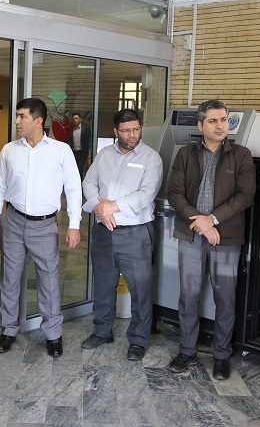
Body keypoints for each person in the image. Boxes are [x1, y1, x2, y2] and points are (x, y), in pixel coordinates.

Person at [0, 97, 82, 357]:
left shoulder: (61, 151)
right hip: (13, 221)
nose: (17, 121)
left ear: (38, 121)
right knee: (9, 279)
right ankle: (8, 329)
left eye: (22, 116)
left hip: (45, 225)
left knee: (48, 280)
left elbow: (74, 189)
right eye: (17, 116)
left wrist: (74, 225)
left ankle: (53, 334)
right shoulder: (9, 150)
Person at [166, 99, 256, 379]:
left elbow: (245, 196)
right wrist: (201, 223)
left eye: (224, 120)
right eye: (213, 121)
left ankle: (221, 355)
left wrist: (213, 219)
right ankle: (187, 350)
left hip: (226, 238)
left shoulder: (241, 155)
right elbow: (174, 193)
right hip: (191, 235)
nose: (220, 126)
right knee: (189, 295)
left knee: (225, 297)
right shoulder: (186, 154)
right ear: (200, 124)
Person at [81, 109, 162, 360]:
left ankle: (138, 339)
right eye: (126, 131)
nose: (132, 135)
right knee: (103, 284)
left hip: (136, 233)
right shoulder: (104, 154)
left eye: (136, 129)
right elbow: (88, 183)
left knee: (140, 288)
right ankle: (102, 331)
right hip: (104, 231)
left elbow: (146, 194)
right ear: (116, 131)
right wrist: (100, 208)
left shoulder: (151, 158)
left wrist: (111, 207)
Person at [66, 112, 91, 180]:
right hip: (73, 153)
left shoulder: (85, 128)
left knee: (80, 169)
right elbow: (67, 140)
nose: (75, 120)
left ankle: (80, 184)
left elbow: (89, 140)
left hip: (82, 152)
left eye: (76, 118)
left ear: (80, 119)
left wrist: (89, 153)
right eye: (73, 119)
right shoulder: (71, 129)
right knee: (73, 170)